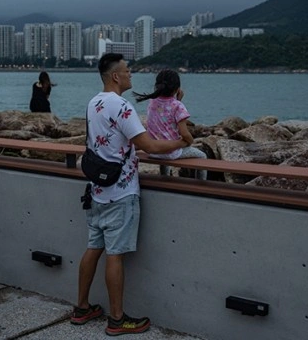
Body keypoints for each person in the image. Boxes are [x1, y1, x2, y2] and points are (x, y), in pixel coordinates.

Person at [71, 53, 189, 336]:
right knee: (115, 255)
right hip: (121, 193)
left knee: (93, 248)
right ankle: (117, 319)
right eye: (127, 71)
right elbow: (149, 144)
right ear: (115, 76)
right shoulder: (122, 106)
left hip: (97, 190)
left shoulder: (93, 102)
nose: (131, 75)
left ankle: (82, 308)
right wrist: (182, 142)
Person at [133, 69, 208, 180]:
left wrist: (178, 100)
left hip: (154, 151)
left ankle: (165, 178)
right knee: (202, 156)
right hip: (171, 152)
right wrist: (190, 141)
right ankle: (202, 184)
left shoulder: (152, 102)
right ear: (177, 89)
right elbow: (184, 133)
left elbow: (165, 107)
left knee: (165, 150)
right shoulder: (178, 106)